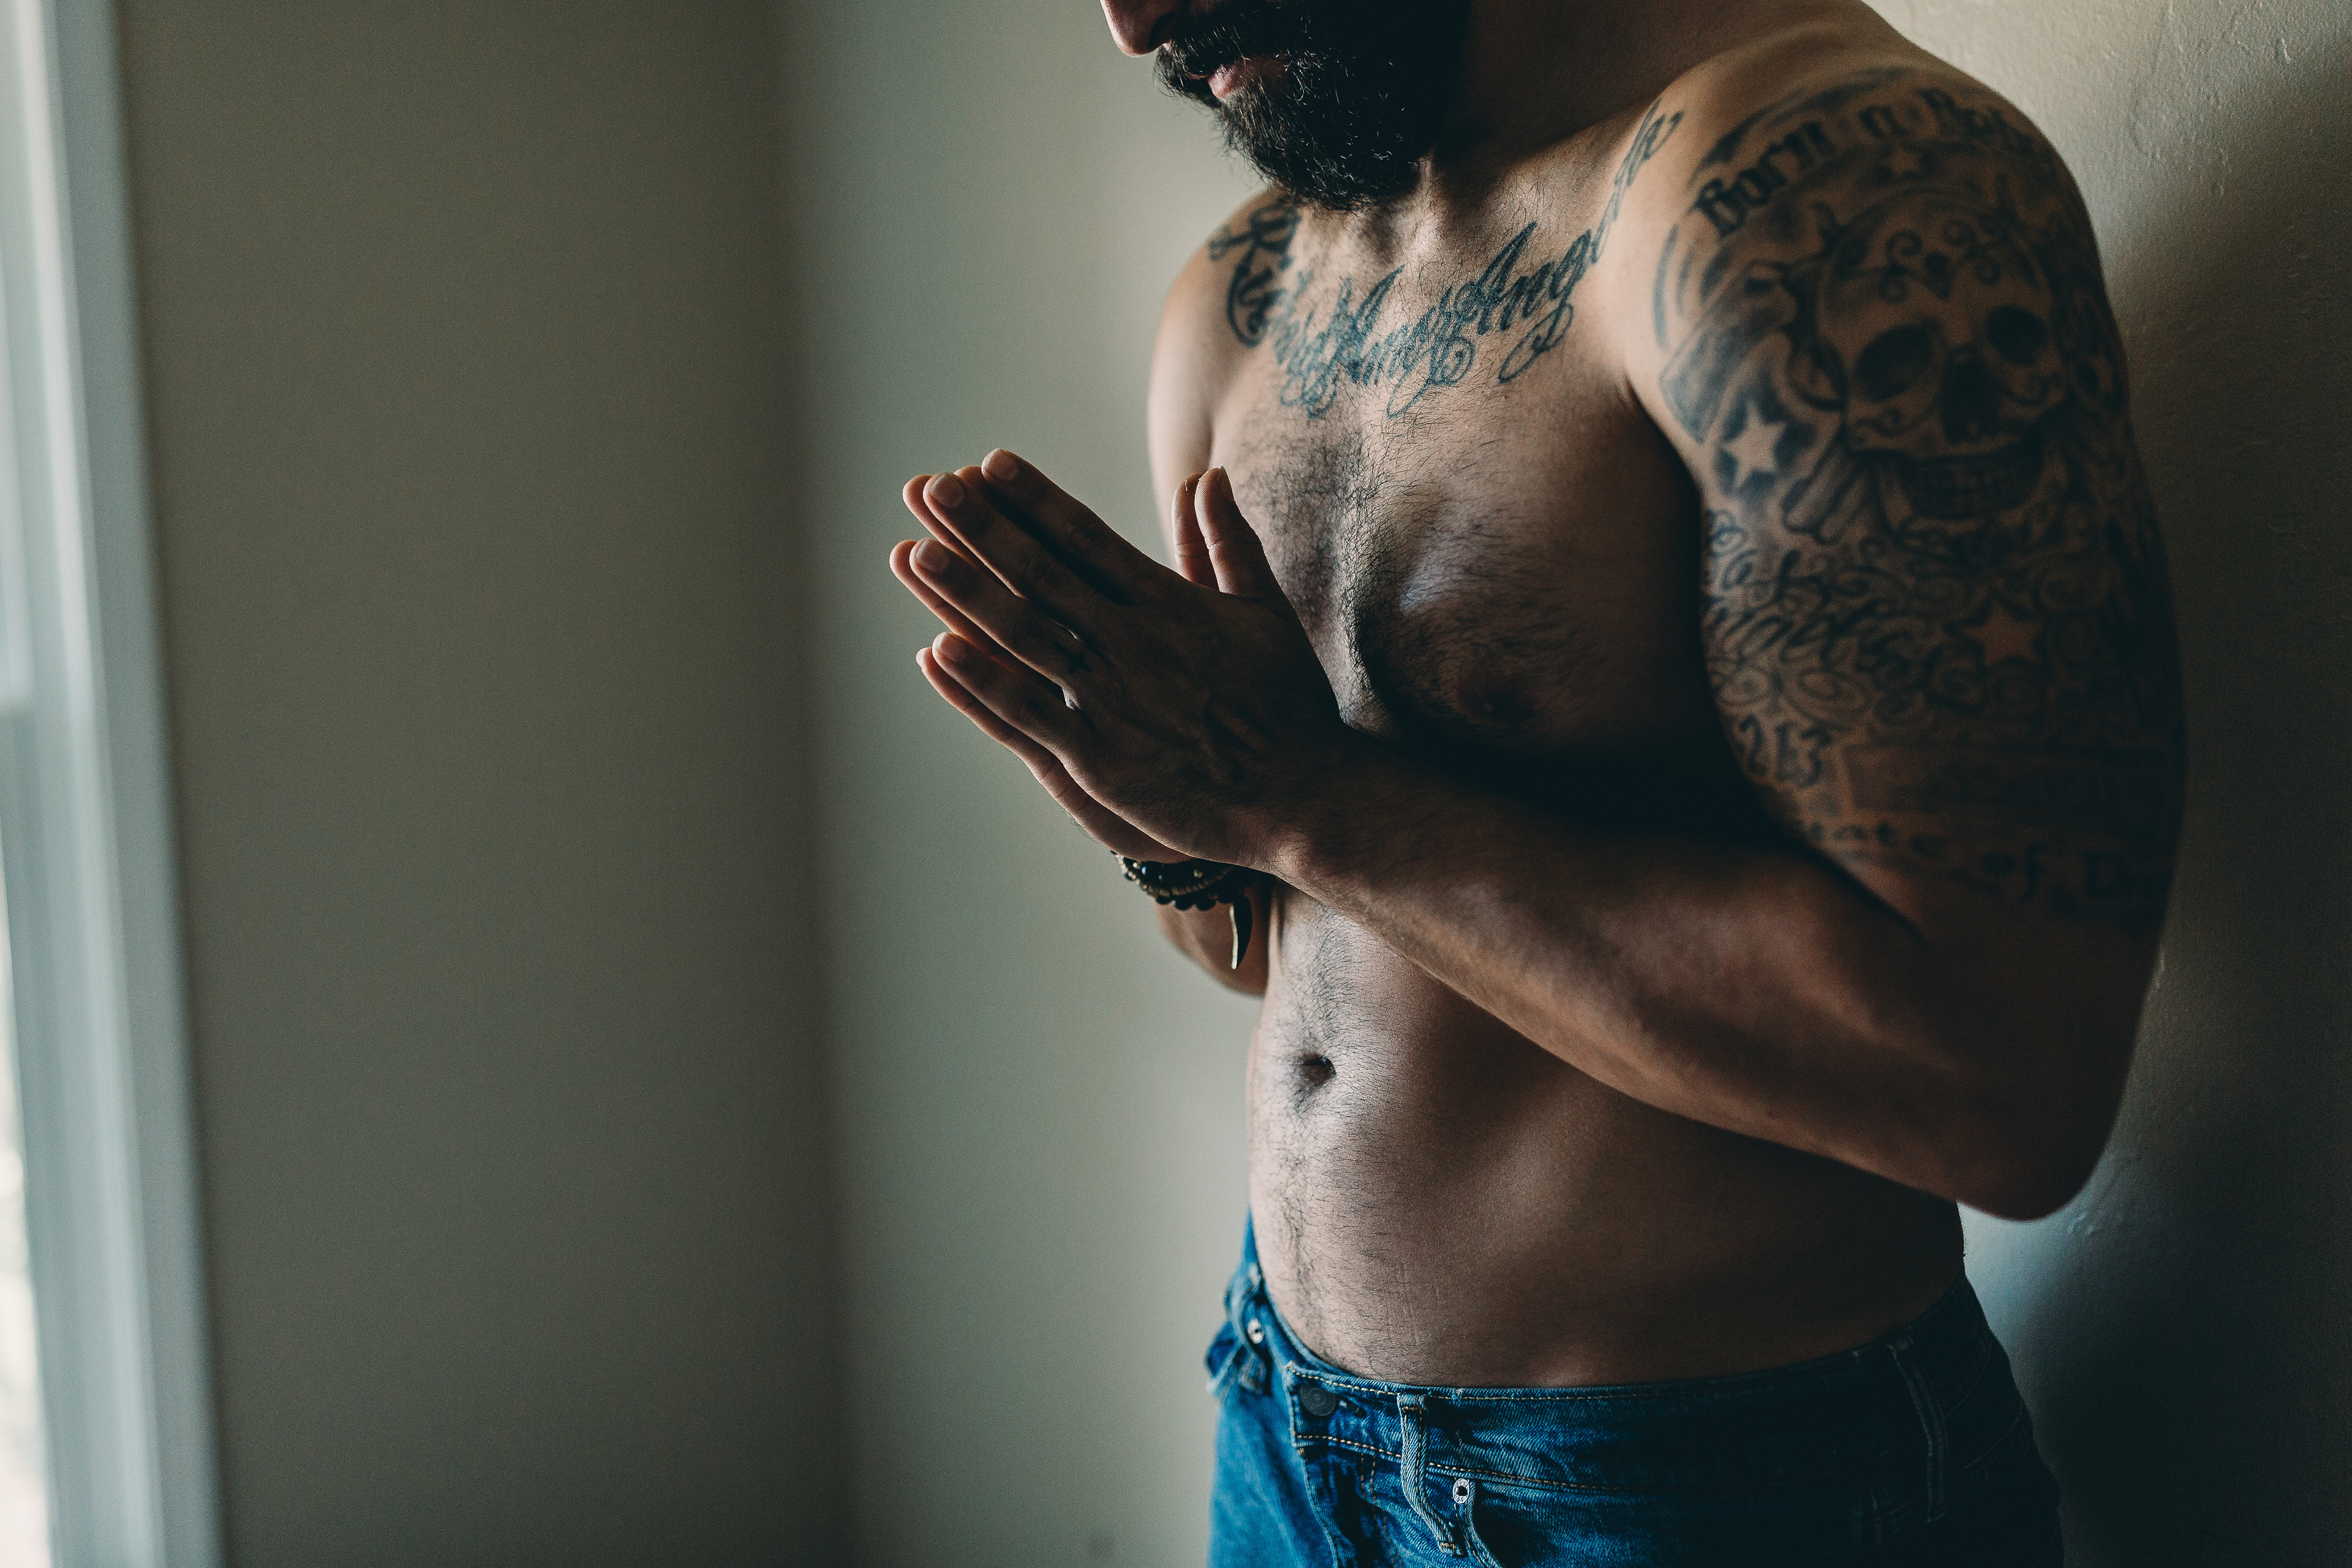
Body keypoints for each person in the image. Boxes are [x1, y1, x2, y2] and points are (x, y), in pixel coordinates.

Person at [889, 0, 2181, 1560]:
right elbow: (1266, 949)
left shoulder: (1826, 189)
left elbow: (2005, 1086)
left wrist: (1303, 800)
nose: (1132, 21)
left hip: (1703, 1491)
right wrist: (1175, 818)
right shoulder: (1244, 292)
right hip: (1282, 1427)